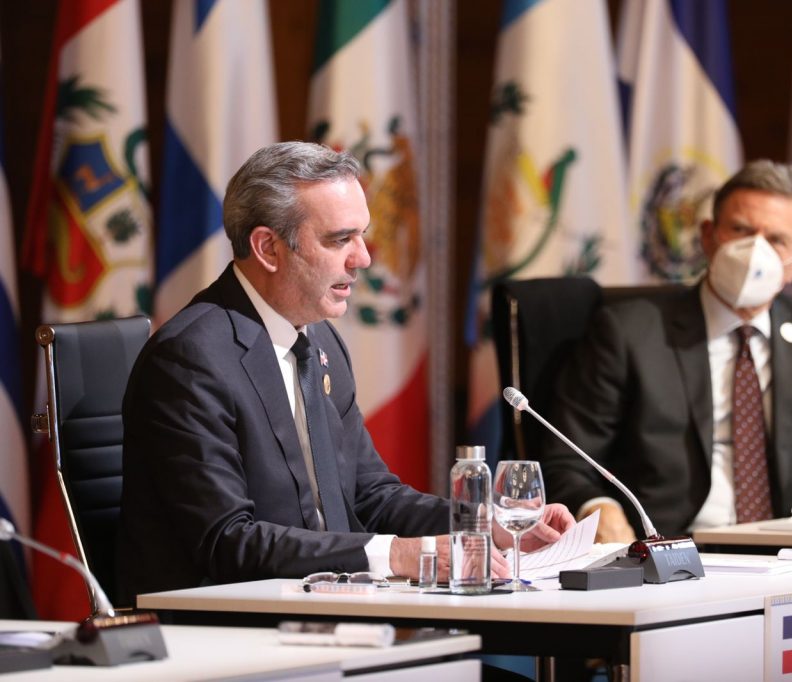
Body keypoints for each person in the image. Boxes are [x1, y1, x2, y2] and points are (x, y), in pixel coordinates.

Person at [118, 142, 573, 601]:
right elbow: (227, 541)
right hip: (223, 624)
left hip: (327, 611)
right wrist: (398, 555)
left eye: (362, 236)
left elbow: (370, 494)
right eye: (340, 240)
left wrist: (489, 526)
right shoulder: (191, 360)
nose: (364, 258)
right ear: (268, 248)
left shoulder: (320, 340)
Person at [540, 160, 792, 543]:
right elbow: (566, 460)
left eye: (776, 240)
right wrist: (598, 509)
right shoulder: (628, 333)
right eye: (741, 230)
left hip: (784, 555)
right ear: (708, 237)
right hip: (666, 551)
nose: (755, 251)